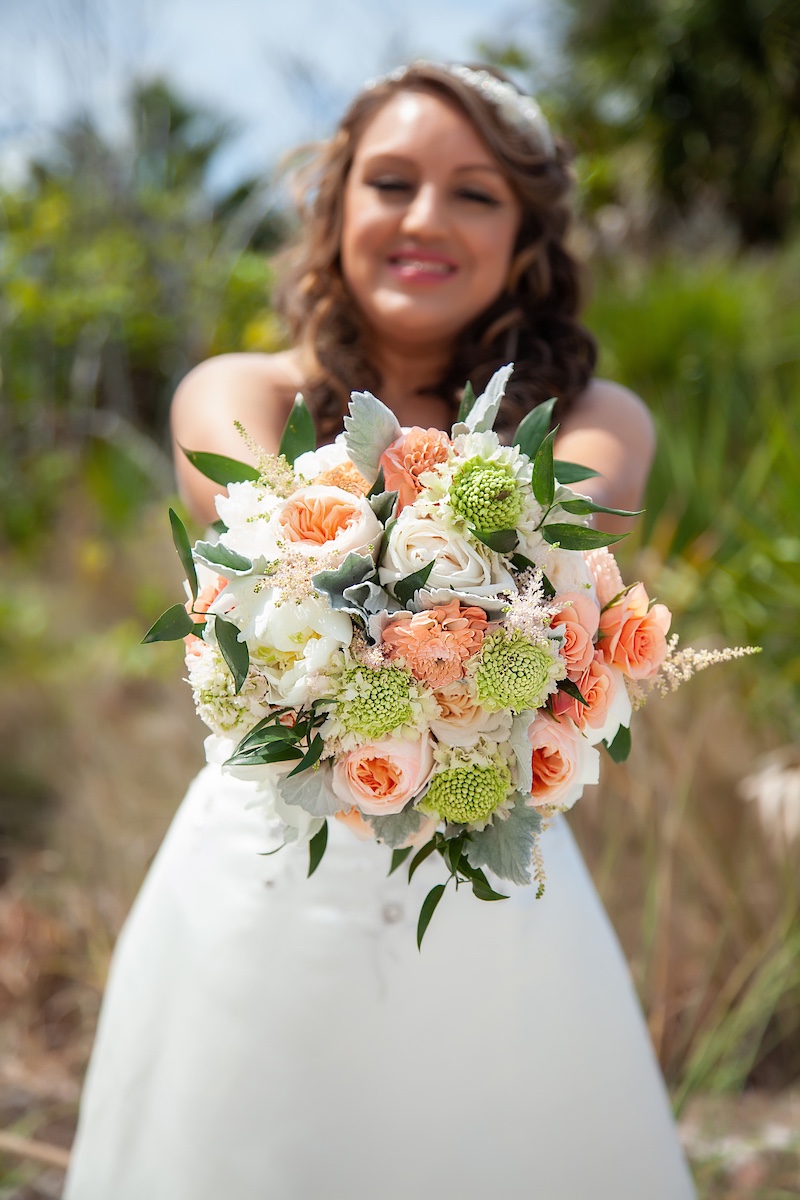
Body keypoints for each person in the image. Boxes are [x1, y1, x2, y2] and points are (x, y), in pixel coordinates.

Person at [64, 62, 696, 1199]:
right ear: (336, 207)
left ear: (527, 235)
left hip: (490, 885)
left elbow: (556, 543)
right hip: (258, 885)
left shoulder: (600, 420)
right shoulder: (237, 392)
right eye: (390, 182)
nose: (422, 220)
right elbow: (272, 540)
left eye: (473, 194)